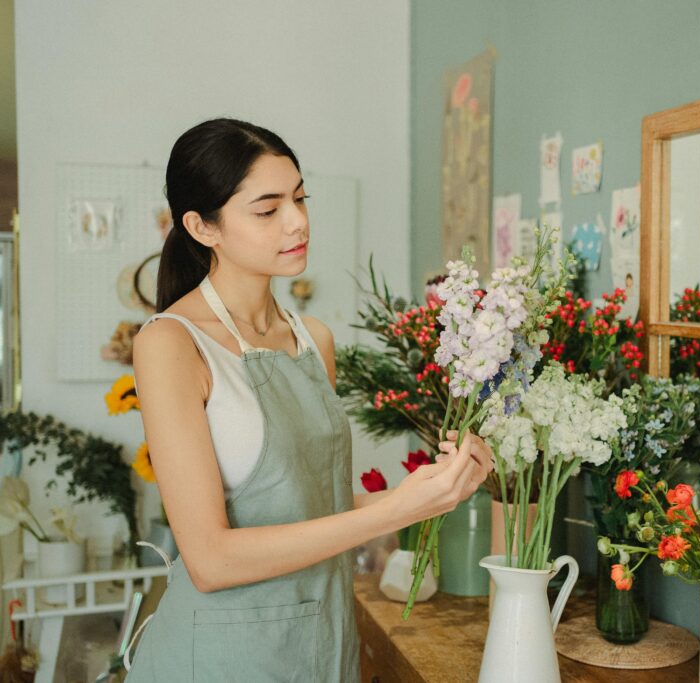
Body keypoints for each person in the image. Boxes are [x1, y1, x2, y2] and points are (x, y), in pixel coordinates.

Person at [125, 119, 493, 681]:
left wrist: (430, 495)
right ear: (203, 227)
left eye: (300, 198)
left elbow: (313, 506)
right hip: (223, 661)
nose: (298, 221)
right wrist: (396, 511)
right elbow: (210, 560)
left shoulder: (311, 338)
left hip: (323, 645)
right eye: (268, 209)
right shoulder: (171, 343)